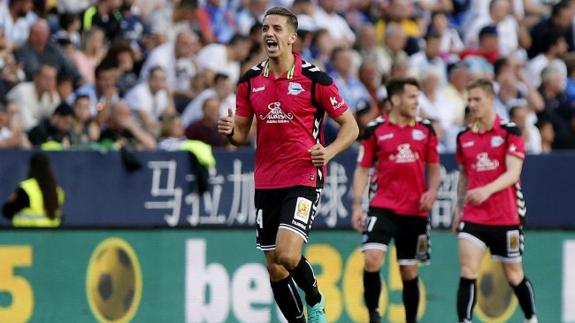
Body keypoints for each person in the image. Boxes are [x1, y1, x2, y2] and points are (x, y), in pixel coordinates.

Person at [217, 7, 358, 323]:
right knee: (274, 264)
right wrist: (231, 131)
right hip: (266, 180)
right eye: (265, 28)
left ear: (292, 38)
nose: (269, 33)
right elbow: (241, 134)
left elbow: (351, 127)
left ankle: (317, 301)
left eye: (277, 29)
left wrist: (330, 151)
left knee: (288, 253)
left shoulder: (314, 79)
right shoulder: (250, 80)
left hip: (303, 174)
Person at [351, 77, 441, 323]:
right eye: (412, 96)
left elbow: (434, 167)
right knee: (371, 259)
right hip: (383, 207)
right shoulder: (375, 130)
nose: (416, 101)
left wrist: (432, 191)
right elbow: (362, 168)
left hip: (415, 211)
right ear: (395, 99)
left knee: (408, 270)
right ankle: (374, 315)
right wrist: (358, 205)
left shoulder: (425, 129)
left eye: (417, 96)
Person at [452, 78, 537, 323]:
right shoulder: (464, 137)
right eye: (469, 99)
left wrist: (486, 191)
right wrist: (459, 208)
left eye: (477, 99)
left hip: (505, 215)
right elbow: (464, 176)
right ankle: (464, 320)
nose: (473, 104)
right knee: (468, 271)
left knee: (513, 274)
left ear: (491, 99)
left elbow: (513, 173)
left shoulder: (510, 131)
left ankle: (531, 317)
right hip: (474, 214)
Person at [2, 152, 64, 227]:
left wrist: (11, 200)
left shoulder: (26, 189)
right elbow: (59, 218)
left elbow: (7, 212)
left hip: (27, 236)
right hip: (50, 236)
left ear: (31, 167)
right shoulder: (58, 191)